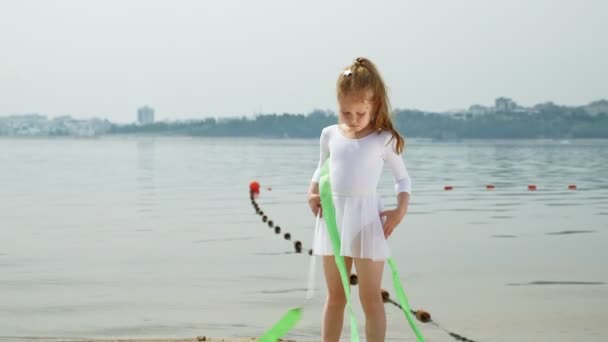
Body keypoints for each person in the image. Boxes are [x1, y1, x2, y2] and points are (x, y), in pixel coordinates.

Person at [307, 57, 411, 342]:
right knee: (335, 296)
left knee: (370, 298)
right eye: (345, 112)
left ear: (374, 104)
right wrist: (311, 191)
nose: (352, 118)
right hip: (333, 218)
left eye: (359, 113)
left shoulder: (383, 139)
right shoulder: (329, 134)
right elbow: (321, 167)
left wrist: (399, 211)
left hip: (368, 220)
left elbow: (403, 179)